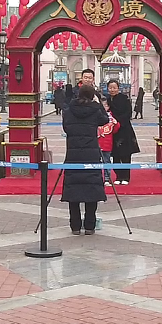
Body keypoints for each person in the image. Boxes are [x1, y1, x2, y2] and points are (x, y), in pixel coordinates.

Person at [61, 83, 109, 236]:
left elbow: (66, 128)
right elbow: (105, 120)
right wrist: (99, 103)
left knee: (73, 190)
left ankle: (75, 226)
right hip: (91, 154)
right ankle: (89, 226)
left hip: (73, 154)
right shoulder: (95, 109)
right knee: (91, 189)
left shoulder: (69, 110)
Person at [107, 79, 139, 184]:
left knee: (125, 154)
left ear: (118, 88)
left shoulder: (124, 99)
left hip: (124, 130)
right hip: (112, 130)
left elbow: (128, 113)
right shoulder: (107, 100)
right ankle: (118, 176)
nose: (112, 90)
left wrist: (118, 121)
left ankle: (126, 177)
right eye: (110, 88)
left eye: (114, 88)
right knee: (115, 155)